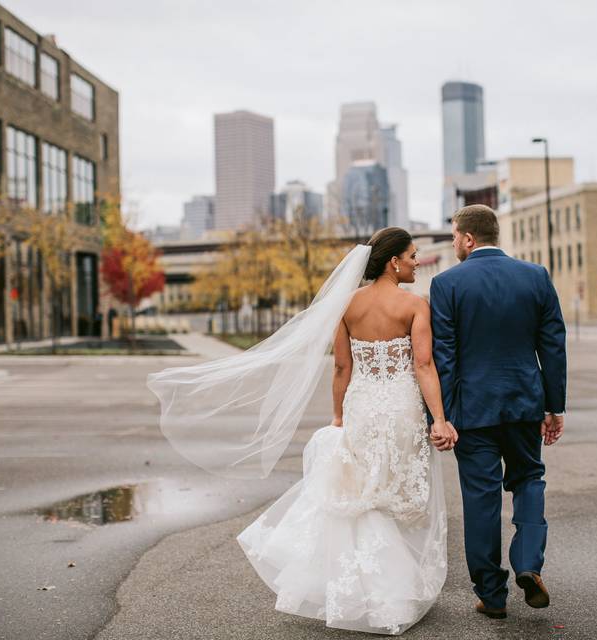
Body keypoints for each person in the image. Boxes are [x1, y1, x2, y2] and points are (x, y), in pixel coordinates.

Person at [147, 227, 456, 636]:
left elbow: (342, 368)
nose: (418, 262)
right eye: (413, 256)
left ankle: (369, 592)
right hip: (399, 410)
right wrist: (439, 418)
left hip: (361, 407)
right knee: (391, 495)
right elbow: (423, 366)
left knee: (364, 495)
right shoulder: (415, 305)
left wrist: (338, 417)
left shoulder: (346, 305)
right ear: (393, 261)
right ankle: (392, 592)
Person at [430, 204, 567, 620]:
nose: (453, 243)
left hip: (473, 410)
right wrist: (553, 406)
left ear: (468, 238)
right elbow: (553, 345)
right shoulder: (536, 276)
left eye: (454, 236)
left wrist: (445, 416)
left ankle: (492, 594)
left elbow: (445, 356)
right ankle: (527, 562)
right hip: (525, 403)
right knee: (528, 478)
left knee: (481, 497)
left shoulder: (446, 283)